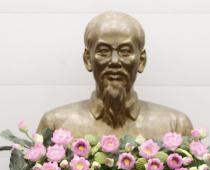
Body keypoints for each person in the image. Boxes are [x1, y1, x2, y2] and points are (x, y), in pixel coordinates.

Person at [37, 11, 193, 140]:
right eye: (103, 51)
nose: (114, 61)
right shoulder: (55, 125)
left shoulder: (175, 126)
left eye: (125, 51)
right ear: (87, 59)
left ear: (141, 60)